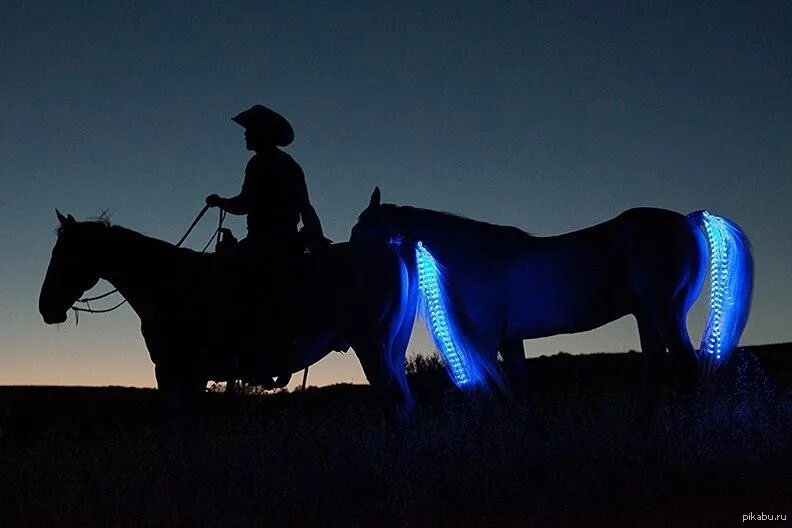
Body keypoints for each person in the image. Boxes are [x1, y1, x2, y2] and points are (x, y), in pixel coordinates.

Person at [205, 104, 325, 383]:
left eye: (249, 130)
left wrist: (221, 202)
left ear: (262, 133)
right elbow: (305, 207)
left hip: (264, 243)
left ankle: (234, 349)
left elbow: (246, 203)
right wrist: (316, 238)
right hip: (287, 242)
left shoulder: (259, 164)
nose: (245, 135)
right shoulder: (290, 165)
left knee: (226, 278)